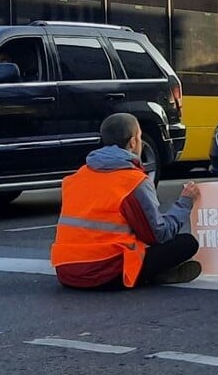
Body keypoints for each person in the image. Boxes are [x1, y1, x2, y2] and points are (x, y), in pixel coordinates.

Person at [51, 113, 202, 290]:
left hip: (66, 272)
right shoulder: (133, 181)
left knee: (138, 241)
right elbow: (159, 234)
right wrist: (184, 202)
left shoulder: (75, 178)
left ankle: (157, 274)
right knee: (187, 243)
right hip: (106, 273)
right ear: (132, 142)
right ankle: (154, 274)